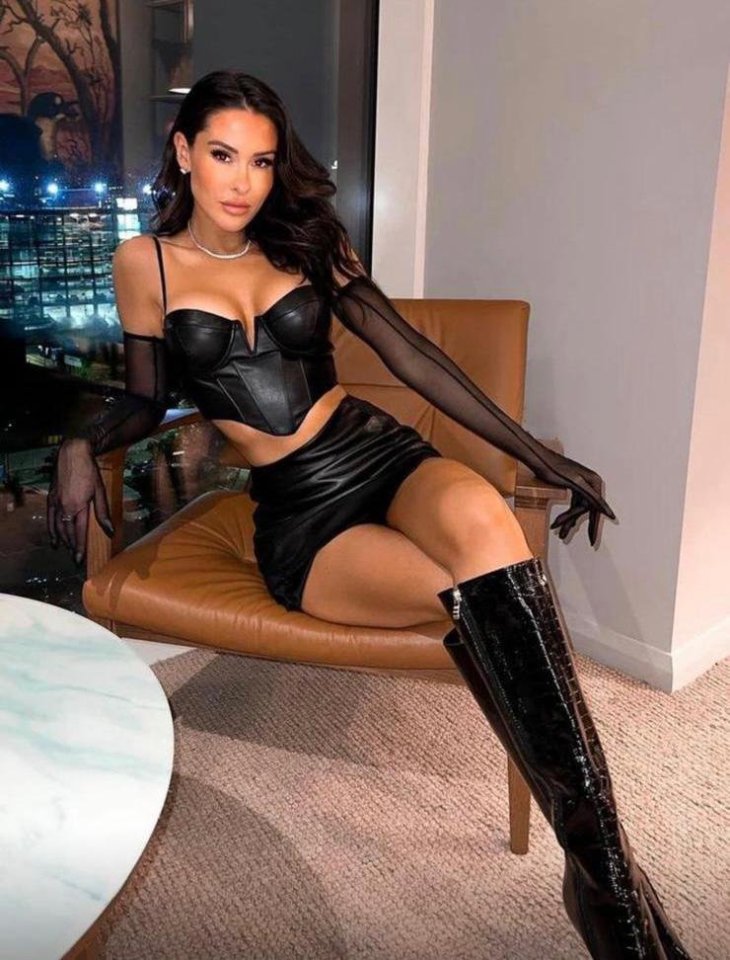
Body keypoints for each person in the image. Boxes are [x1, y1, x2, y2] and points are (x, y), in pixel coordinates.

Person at [47, 71, 692, 959]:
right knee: (482, 600)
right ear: (184, 152)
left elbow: (412, 356)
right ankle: (613, 882)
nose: (243, 181)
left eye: (262, 161)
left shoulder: (308, 241)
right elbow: (145, 398)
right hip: (302, 512)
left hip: (382, 453)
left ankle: (604, 882)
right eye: (224, 155)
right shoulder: (143, 264)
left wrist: (541, 458)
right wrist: (78, 442)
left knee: (494, 542)